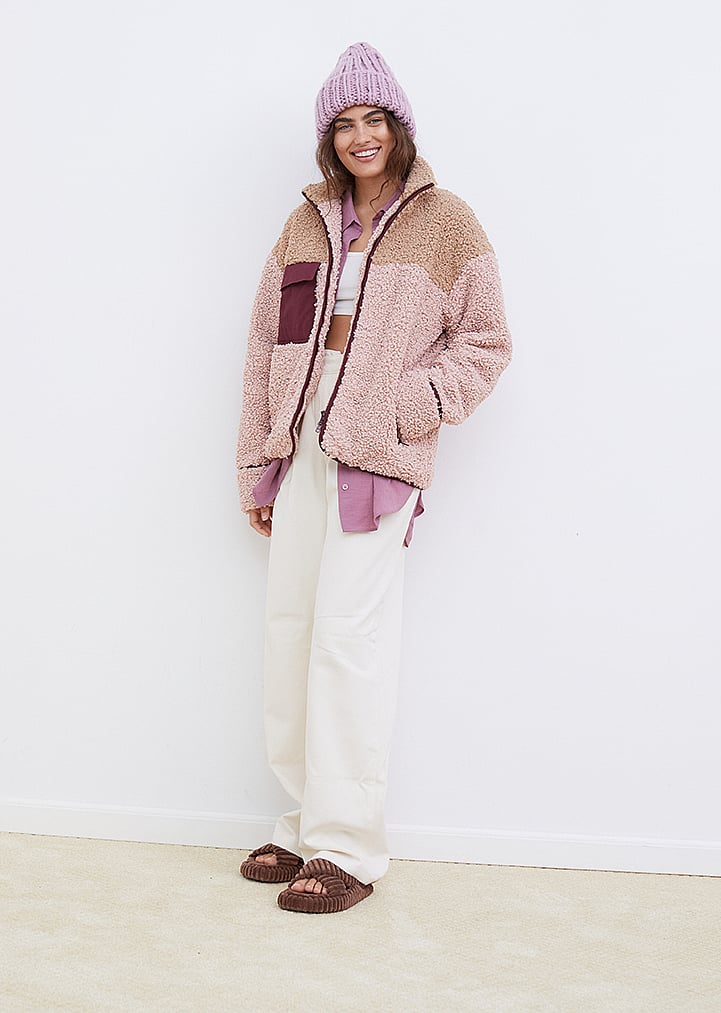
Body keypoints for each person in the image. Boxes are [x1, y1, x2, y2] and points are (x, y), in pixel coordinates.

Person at [235, 42, 512, 914]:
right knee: (290, 633)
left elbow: (487, 341)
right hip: (302, 451)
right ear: (329, 137)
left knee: (346, 644)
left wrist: (411, 404)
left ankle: (347, 846)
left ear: (399, 126)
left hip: (377, 459)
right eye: (345, 123)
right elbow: (265, 346)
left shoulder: (447, 221)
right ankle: (303, 823)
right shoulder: (304, 224)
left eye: (375, 119)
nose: (362, 136)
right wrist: (258, 461)